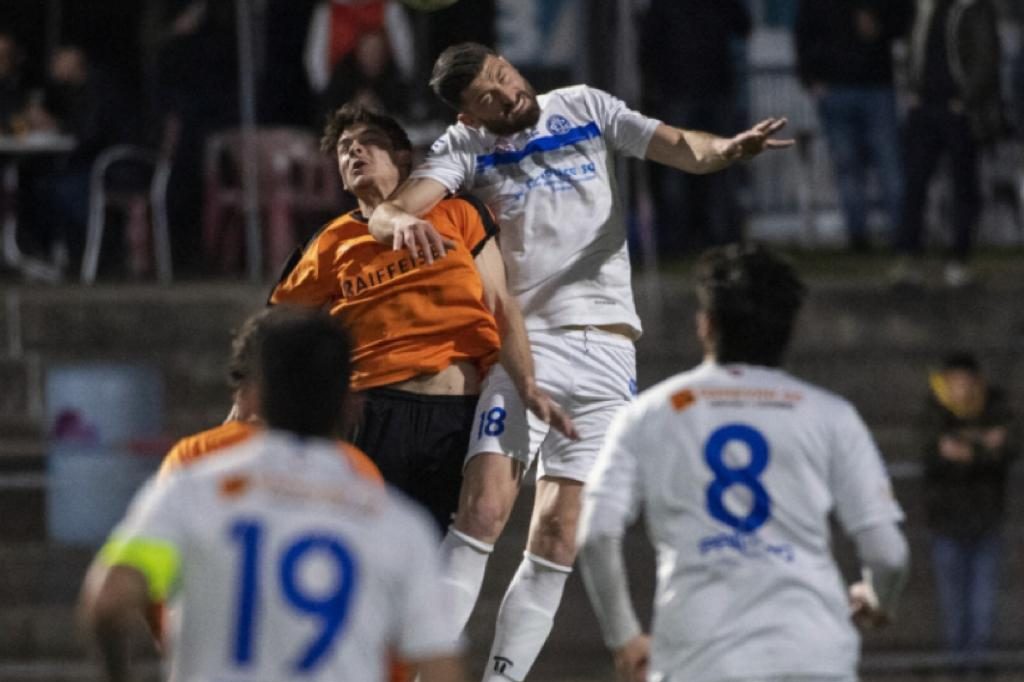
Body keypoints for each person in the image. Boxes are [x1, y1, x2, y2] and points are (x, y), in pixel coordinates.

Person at [366, 42, 793, 682]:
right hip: (529, 349)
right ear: (470, 114)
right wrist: (395, 218)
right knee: (483, 512)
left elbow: (680, 145)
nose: (510, 94)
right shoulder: (465, 149)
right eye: (489, 96)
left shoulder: (584, 107)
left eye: (506, 76)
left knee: (560, 538)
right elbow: (395, 208)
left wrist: (728, 150)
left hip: (610, 354)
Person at [577, 243, 910, 682]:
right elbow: (888, 553)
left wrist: (625, 637)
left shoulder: (650, 414)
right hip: (813, 654)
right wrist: (878, 599)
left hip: (700, 656)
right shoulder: (830, 415)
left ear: (706, 324)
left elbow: (596, 533)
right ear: (789, 328)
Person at [79, 307, 465, 682]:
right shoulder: (394, 522)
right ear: (351, 404)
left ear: (252, 395)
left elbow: (108, 600)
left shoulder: (193, 486)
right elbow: (437, 663)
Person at [270, 102, 574, 533]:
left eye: (368, 143)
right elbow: (275, 331)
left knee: (445, 561)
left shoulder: (458, 212)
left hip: (457, 413)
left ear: (403, 158)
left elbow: (501, 305)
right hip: (373, 414)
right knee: (370, 560)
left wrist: (527, 385)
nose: (354, 153)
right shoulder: (330, 242)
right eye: (343, 149)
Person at [892, 0, 1004, 288]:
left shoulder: (972, 7)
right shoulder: (922, 7)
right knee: (915, 183)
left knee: (963, 186)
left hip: (958, 111)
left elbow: (986, 57)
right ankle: (909, 259)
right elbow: (908, 50)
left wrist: (964, 100)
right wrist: (912, 92)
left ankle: (958, 260)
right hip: (925, 107)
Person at [795, 0, 913, 252]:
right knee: (851, 165)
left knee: (887, 163)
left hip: (874, 85)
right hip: (839, 87)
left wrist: (880, 26)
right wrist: (810, 78)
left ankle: (901, 234)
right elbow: (804, 32)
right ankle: (859, 235)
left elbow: (903, 19)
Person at [921, 352, 1016, 661]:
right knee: (954, 604)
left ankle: (979, 663)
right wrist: (983, 447)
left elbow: (1008, 447)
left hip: (986, 521)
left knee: (983, 602)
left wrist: (963, 451)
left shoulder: (995, 407)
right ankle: (958, 665)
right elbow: (932, 455)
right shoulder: (933, 412)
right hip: (946, 523)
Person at [639, 0, 752, 254]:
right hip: (691, 91)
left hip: (700, 91)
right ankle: (695, 236)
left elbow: (742, 25)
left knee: (700, 168)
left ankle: (704, 236)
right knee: (696, 168)